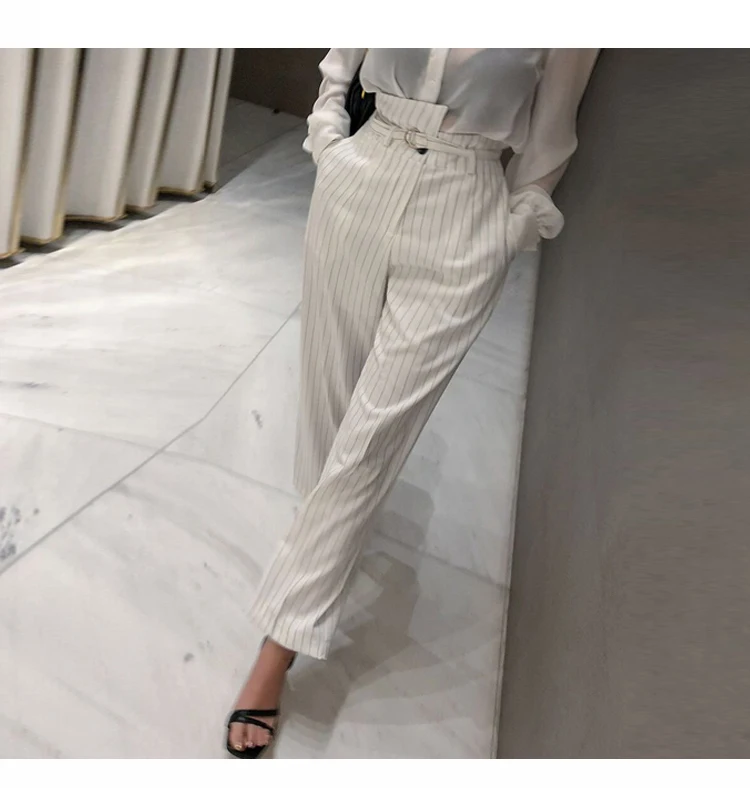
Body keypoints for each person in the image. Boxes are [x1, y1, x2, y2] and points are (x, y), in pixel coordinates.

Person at [226, 47, 599, 758]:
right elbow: (342, 65)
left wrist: (511, 226)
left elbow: (552, 133)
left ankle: (278, 645)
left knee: (372, 440)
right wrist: (329, 144)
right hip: (360, 179)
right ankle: (324, 539)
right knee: (329, 403)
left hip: (464, 207)